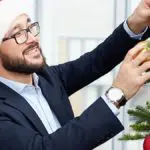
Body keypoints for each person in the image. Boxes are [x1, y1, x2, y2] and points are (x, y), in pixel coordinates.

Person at [0, 0, 150, 149]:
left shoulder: (46, 77)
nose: (33, 39)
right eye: (18, 33)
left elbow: (97, 60)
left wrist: (136, 23)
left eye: (29, 28)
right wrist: (117, 95)